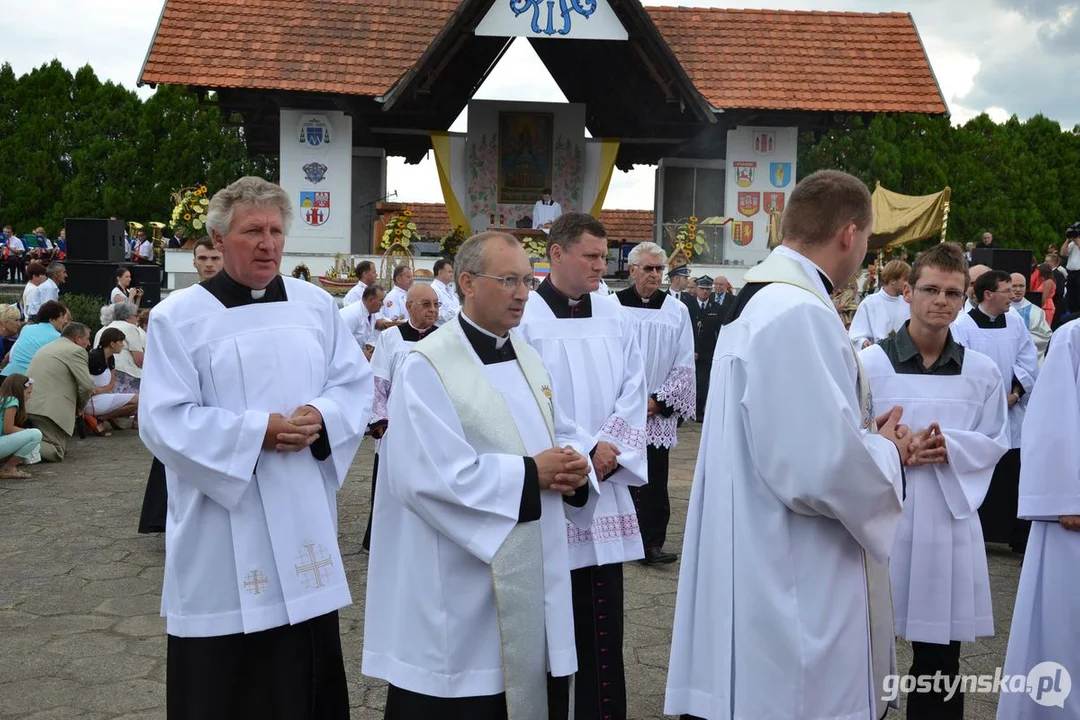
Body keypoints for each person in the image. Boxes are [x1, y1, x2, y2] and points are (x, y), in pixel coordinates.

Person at [666, 170, 913, 720]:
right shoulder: (799, 313)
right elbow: (820, 469)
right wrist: (889, 452)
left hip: (756, 539)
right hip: (795, 570)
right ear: (849, 234)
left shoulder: (761, 301)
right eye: (868, 239)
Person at [138, 176, 373, 719]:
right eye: (252, 231)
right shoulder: (180, 317)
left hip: (303, 512)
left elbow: (353, 385)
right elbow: (163, 420)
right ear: (219, 239)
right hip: (221, 522)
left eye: (275, 230)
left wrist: (322, 415)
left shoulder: (316, 307)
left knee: (303, 668)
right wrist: (255, 433)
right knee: (227, 680)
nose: (268, 242)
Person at [363, 231, 598, 718]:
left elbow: (560, 432)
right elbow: (427, 476)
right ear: (467, 282)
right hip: (460, 590)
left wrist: (577, 466)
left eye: (526, 281)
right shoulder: (427, 365)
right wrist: (531, 474)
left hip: (536, 565)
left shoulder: (526, 355)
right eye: (508, 280)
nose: (522, 293)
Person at [859, 243, 1009, 719]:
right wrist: (892, 449)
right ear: (908, 291)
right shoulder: (869, 365)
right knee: (863, 644)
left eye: (952, 292)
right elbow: (845, 439)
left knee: (940, 655)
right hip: (882, 521)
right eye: (930, 289)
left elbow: (995, 441)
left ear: (965, 298)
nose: (940, 300)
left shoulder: (981, 373)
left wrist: (949, 448)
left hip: (948, 523)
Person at [516, 212, 648, 720]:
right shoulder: (526, 319)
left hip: (608, 476)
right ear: (556, 254)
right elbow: (532, 396)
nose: (601, 265)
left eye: (603, 255)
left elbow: (635, 385)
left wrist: (612, 445)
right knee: (556, 613)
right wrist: (588, 450)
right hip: (562, 479)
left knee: (604, 615)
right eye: (590, 255)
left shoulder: (614, 313)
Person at [996, 318, 1080, 719]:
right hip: (1073, 518)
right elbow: (1051, 421)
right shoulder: (1074, 337)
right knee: (1063, 634)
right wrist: (1065, 498)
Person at [614, 242, 695, 565]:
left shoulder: (677, 311)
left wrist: (656, 402)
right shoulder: (610, 307)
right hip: (618, 410)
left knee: (654, 479)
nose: (655, 275)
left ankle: (651, 543)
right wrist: (627, 404)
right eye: (648, 268)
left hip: (655, 413)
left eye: (659, 269)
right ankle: (618, 539)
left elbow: (685, 364)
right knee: (618, 476)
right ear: (632, 269)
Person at [137, 236, 224, 535]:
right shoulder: (177, 304)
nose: (209, 264)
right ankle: (163, 519)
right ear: (194, 262)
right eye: (203, 259)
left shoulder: (232, 301)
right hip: (184, 388)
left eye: (214, 258)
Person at [951, 270, 1039, 554]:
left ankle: (1016, 534)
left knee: (1013, 472)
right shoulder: (962, 327)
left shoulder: (1015, 324)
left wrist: (1015, 394)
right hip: (978, 414)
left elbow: (1028, 360)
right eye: (1006, 290)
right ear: (988, 294)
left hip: (1012, 411)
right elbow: (960, 368)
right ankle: (980, 531)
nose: (1013, 295)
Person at [361, 283, 439, 552]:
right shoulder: (391, 337)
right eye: (426, 304)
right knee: (390, 487)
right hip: (395, 428)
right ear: (409, 307)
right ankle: (384, 538)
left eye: (436, 304)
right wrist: (380, 421)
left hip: (433, 428)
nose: (433, 311)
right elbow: (377, 382)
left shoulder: (446, 339)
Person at [25, 323, 93, 463]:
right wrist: (81, 405)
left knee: (57, 445)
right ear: (77, 338)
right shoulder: (76, 351)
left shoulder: (48, 347)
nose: (89, 343)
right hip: (47, 409)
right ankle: (14, 446)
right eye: (87, 338)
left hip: (31, 404)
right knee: (56, 451)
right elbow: (86, 386)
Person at [848, 259, 911, 349]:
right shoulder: (870, 303)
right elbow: (855, 335)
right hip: (879, 354)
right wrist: (863, 342)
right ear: (892, 280)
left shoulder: (907, 303)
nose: (908, 283)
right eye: (906, 279)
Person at [85, 327, 139, 431]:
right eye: (121, 342)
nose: (123, 345)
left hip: (102, 395)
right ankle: (100, 417)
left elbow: (111, 384)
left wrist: (99, 390)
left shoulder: (110, 358)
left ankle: (101, 418)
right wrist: (96, 391)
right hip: (90, 400)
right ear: (112, 344)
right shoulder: (93, 358)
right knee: (139, 401)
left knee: (139, 401)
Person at [686, 275, 724, 420]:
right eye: (702, 289)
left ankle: (699, 411)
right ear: (696, 289)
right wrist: (691, 349)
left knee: (702, 384)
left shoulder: (716, 308)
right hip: (690, 350)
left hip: (707, 353)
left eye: (708, 289)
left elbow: (719, 331)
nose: (705, 292)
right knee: (687, 382)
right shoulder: (688, 306)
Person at [2, 301, 70, 377]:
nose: (65, 321)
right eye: (62, 317)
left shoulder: (26, 329)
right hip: (26, 381)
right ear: (52, 319)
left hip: (6, 374)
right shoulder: (58, 338)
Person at [94, 302, 145, 395]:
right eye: (135, 316)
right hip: (125, 374)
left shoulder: (102, 330)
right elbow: (140, 360)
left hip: (104, 375)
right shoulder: (130, 328)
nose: (137, 319)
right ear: (127, 316)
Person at [0, 374, 42, 479]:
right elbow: (8, 429)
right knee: (35, 435)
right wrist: (25, 431)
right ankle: (8, 468)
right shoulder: (12, 401)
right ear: (19, 391)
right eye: (28, 392)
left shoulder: (3, 399)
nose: (30, 396)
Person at [1009, 272, 1052, 360]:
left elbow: (1045, 336)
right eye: (1014, 286)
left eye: (1021, 286)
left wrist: (1018, 340)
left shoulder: (1036, 312)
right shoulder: (999, 309)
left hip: (1027, 359)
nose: (1018, 289)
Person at [339, 284, 385, 359]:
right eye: (381, 300)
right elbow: (342, 340)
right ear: (370, 300)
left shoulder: (371, 314)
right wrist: (361, 353)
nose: (382, 304)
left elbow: (368, 337)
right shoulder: (352, 314)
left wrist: (371, 346)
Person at [430, 257, 461, 326]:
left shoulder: (450, 289)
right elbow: (437, 314)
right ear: (440, 273)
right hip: (439, 329)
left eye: (452, 272)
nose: (452, 274)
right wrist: (459, 311)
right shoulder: (433, 290)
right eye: (450, 272)